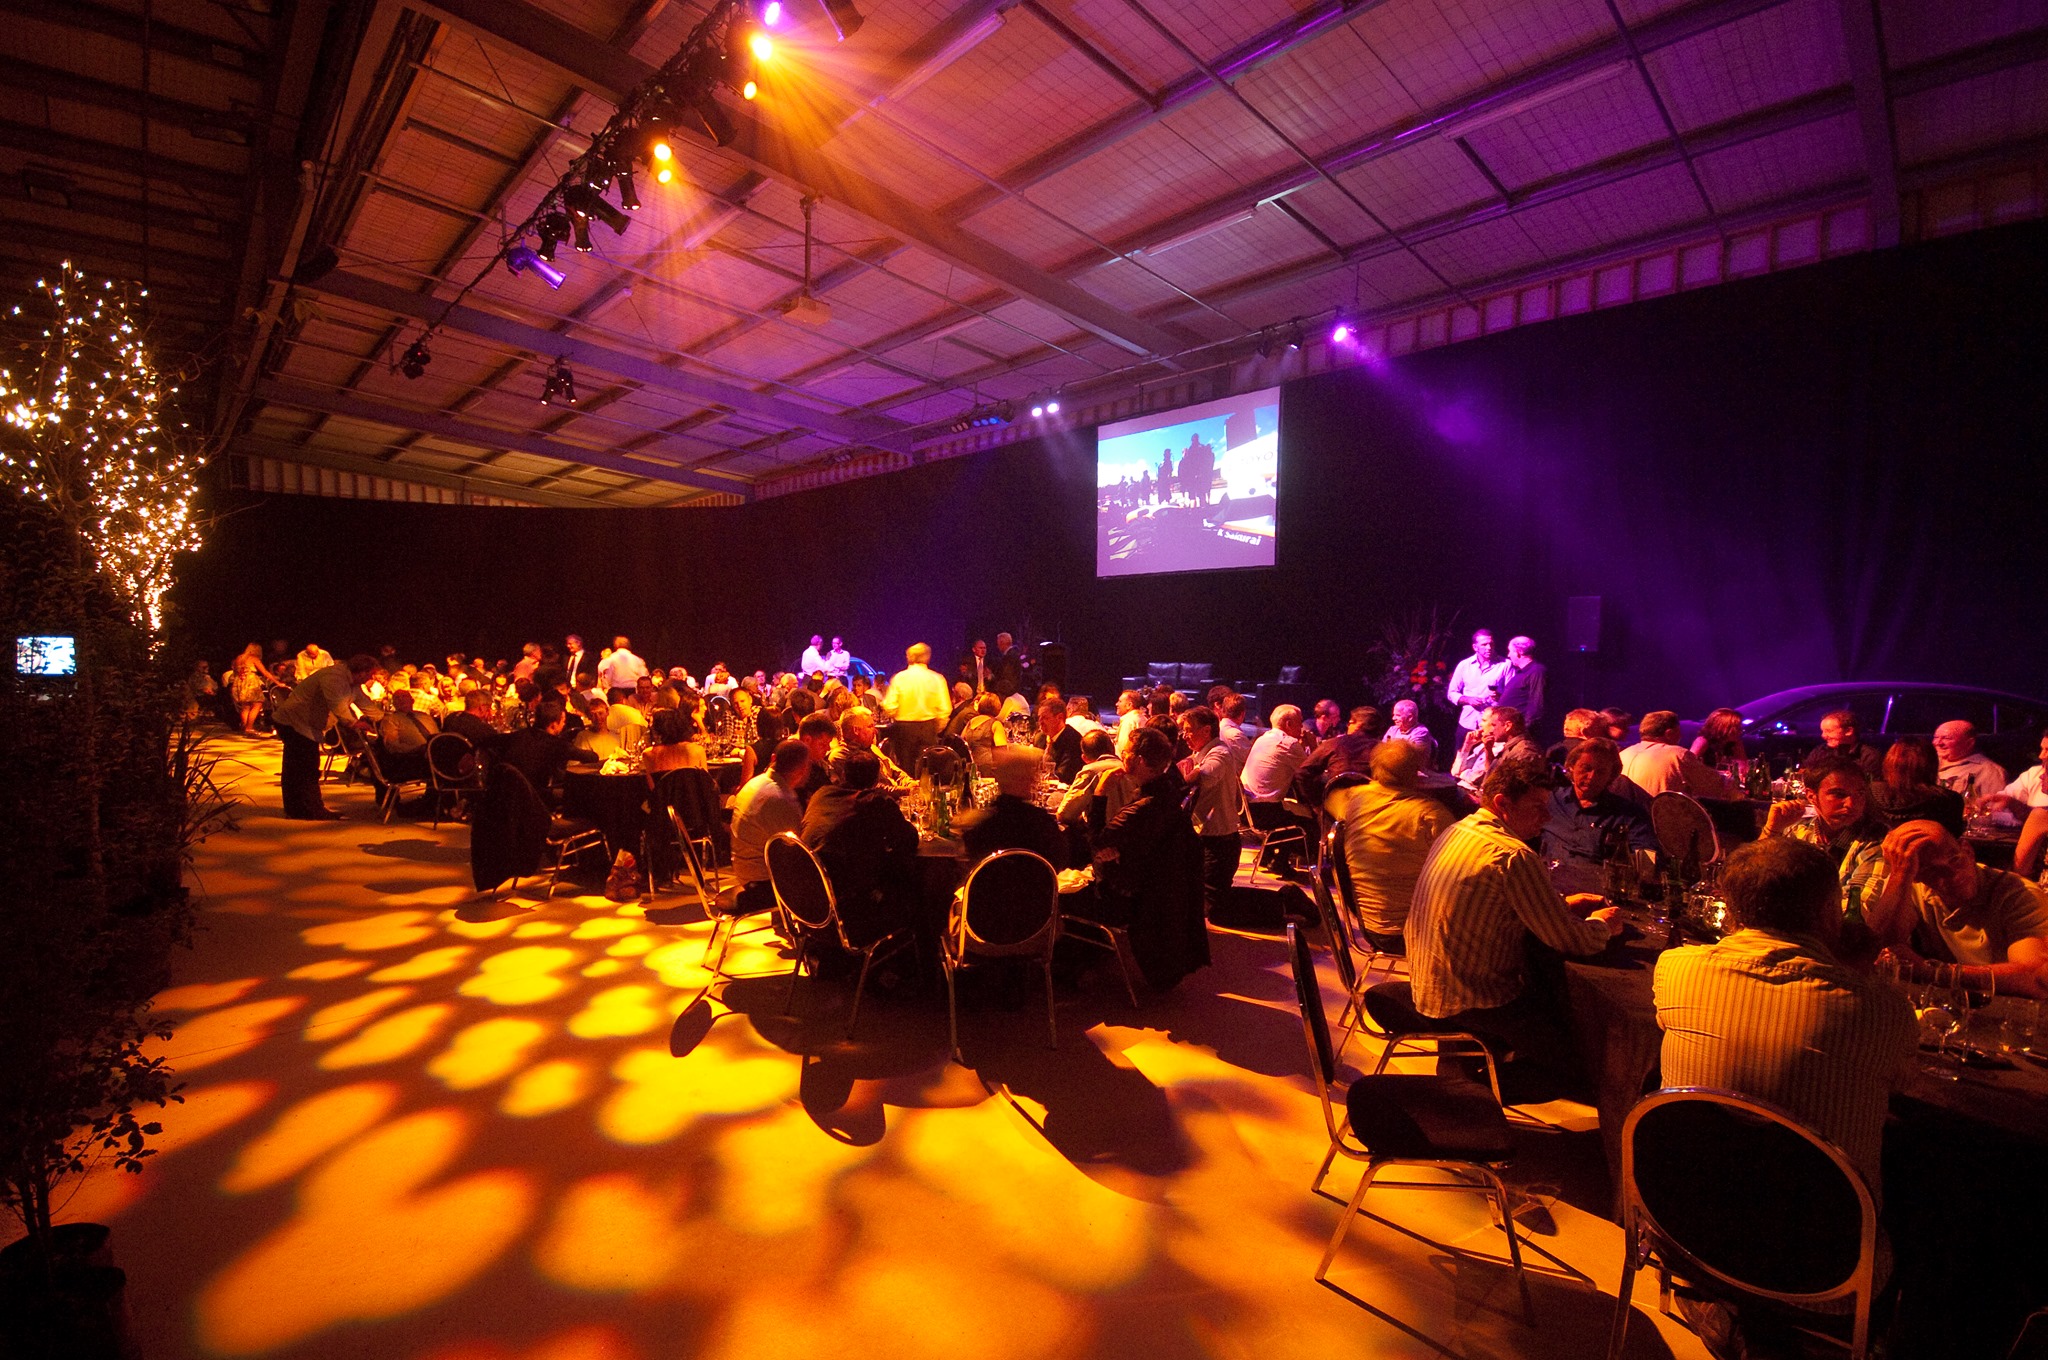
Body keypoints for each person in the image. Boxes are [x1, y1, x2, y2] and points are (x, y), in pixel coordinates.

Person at [1654, 836, 1917, 1203]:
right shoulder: (1886, 1009)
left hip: (1679, 1207)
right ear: (1829, 910)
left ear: (1733, 909)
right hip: (1821, 1229)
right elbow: (1903, 1085)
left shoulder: (1675, 969)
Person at [1405, 757, 1620, 1092]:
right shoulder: (1512, 854)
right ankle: (1469, 1096)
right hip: (1471, 998)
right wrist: (1603, 924)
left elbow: (1491, 904)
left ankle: (1460, 1071)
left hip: (1429, 983)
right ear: (1502, 803)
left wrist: (1562, 905)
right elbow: (1572, 940)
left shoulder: (1458, 829)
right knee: (1584, 1067)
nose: (1547, 818)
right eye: (1537, 808)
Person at [1866, 821, 2048, 998]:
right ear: (1916, 875)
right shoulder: (1907, 885)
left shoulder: (2018, 894)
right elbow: (1878, 947)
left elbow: (2036, 978)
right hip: (1942, 1004)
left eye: (1955, 860)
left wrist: (1933, 972)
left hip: (2006, 1009)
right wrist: (1900, 875)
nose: (1952, 874)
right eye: (1933, 871)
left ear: (1968, 850)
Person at [1091, 726, 1210, 990]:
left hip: (1131, 895)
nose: (1122, 756)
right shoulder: (1170, 789)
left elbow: (1098, 841)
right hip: (1159, 888)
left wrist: (1100, 793)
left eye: (1126, 752)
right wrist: (1119, 849)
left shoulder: (1145, 806)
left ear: (1141, 761)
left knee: (1072, 893)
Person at [1324, 739, 1456, 951]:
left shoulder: (1354, 799)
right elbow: (1459, 869)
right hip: (1412, 934)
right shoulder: (1430, 815)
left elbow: (1330, 797)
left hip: (1368, 926)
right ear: (1416, 773)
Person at [804, 749, 918, 941]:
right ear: (876, 781)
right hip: (849, 905)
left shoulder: (821, 794)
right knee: (910, 877)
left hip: (808, 897)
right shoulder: (876, 802)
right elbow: (910, 839)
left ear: (843, 774)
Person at [1763, 756, 1889, 914]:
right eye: (1839, 794)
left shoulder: (1876, 840)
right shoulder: (1797, 831)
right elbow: (1754, 883)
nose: (1851, 804)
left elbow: (1856, 911)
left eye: (1860, 794)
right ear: (1811, 796)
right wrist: (1772, 830)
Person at [1540, 738, 1656, 892]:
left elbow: (1647, 863)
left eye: (1601, 772)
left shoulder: (1629, 814)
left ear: (1611, 776)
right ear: (1571, 767)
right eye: (1586, 768)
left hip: (1595, 892)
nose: (1591, 776)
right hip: (1548, 887)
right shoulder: (1550, 800)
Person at [272, 653, 378, 819]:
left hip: (306, 725)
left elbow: (365, 703)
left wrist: (383, 718)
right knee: (305, 769)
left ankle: (298, 810)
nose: (370, 678)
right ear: (361, 671)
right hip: (295, 722)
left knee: (298, 768)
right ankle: (310, 810)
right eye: (370, 674)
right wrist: (354, 723)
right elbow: (337, 704)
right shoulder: (334, 677)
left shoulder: (352, 682)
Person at [1177, 706, 1244, 918]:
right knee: (1203, 899)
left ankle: (1284, 901)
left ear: (1206, 731)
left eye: (1189, 730)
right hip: (1205, 836)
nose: (1184, 736)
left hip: (1220, 842)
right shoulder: (1200, 753)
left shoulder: (1220, 753)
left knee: (1215, 909)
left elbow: (1202, 776)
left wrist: (1184, 775)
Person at [730, 739, 811, 913]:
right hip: (762, 882)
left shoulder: (755, 783)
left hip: (744, 871)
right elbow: (799, 849)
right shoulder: (780, 798)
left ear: (773, 758)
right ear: (803, 770)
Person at [957, 746, 1063, 865]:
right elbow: (1060, 860)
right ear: (1026, 779)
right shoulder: (1043, 823)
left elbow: (969, 858)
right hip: (1038, 877)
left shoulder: (983, 826)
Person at [1241, 703, 1314, 862]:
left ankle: (1267, 856)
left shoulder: (1263, 738)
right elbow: (1311, 772)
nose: (1302, 727)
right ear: (1289, 724)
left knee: (1290, 808)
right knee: (1311, 818)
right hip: (1264, 812)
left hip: (1245, 809)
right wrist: (1313, 746)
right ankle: (1280, 862)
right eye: (1299, 722)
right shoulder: (1289, 743)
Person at [1620, 711, 1735, 799]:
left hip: (1629, 819)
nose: (1681, 736)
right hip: (1661, 819)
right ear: (1669, 733)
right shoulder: (1677, 755)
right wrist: (1729, 780)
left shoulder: (1623, 754)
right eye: (1679, 731)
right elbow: (1715, 786)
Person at [499, 701, 597, 796]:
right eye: (563, 721)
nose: (564, 725)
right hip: (536, 796)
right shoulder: (556, 744)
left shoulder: (518, 735)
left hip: (507, 792)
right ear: (553, 725)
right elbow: (592, 757)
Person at [882, 642, 953, 773]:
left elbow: (889, 705)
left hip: (904, 729)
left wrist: (897, 716)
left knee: (905, 769)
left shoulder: (900, 678)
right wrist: (936, 727)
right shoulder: (937, 678)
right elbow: (945, 709)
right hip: (928, 727)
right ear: (927, 657)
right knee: (927, 769)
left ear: (909, 657)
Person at [1870, 737, 1964, 835]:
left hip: (1880, 845)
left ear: (1889, 762)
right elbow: (1953, 838)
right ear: (1931, 764)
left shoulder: (1870, 792)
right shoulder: (1949, 800)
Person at [1451, 705, 1542, 792]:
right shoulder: (1507, 747)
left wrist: (1462, 774)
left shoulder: (1523, 751)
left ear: (1507, 726)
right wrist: (1467, 746)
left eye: (1494, 725)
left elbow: (1491, 781)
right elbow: (1455, 772)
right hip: (1468, 790)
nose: (1491, 729)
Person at [1299, 704, 1380, 798]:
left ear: (1357, 724)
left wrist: (1314, 802)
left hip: (1336, 803)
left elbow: (1302, 773)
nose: (1347, 726)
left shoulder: (1334, 744)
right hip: (1372, 802)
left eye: (1349, 723)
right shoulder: (1383, 749)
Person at [1446, 629, 1505, 735]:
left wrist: (1499, 696)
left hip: (1492, 725)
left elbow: (1512, 694)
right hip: (1468, 722)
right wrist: (1468, 700)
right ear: (1475, 647)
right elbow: (1452, 693)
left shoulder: (1505, 665)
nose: (1489, 648)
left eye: (1491, 644)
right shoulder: (1464, 665)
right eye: (1484, 644)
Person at [1930, 720, 2006, 801]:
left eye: (1947, 738)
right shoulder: (1927, 762)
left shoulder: (1990, 772)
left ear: (1969, 743)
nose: (1938, 743)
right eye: (1936, 737)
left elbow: (1994, 805)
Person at [1804, 709, 1884, 780]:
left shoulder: (1869, 757)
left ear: (1849, 731)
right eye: (1823, 731)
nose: (1823, 736)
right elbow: (1807, 776)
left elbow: (1873, 787)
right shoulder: (1819, 752)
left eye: (1829, 731)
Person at [1495, 636, 1546, 735]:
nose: (1508, 655)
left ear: (1519, 652)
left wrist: (1525, 729)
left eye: (1510, 651)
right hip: (1511, 729)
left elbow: (1537, 702)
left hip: (1522, 732)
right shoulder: (1520, 673)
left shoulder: (1536, 671)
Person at [1030, 698, 1083, 784]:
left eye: (1045, 718)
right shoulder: (1040, 738)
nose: (1040, 722)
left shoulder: (1073, 741)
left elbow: (1064, 775)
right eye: (1039, 717)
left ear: (1059, 717)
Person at [228, 643, 277, 734]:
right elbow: (265, 672)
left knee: (245, 706)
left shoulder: (239, 658)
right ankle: (249, 727)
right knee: (257, 704)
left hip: (240, 681)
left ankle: (244, 727)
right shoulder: (253, 658)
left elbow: (235, 672)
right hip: (250, 682)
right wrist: (277, 682)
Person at [643, 708, 708, 774]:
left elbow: (651, 781)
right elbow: (705, 779)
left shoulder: (649, 754)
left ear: (657, 729)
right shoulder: (698, 751)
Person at [1381, 698, 1437, 770]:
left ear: (1410, 717)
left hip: (1415, 772)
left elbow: (1411, 758)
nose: (1393, 718)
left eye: (1398, 715)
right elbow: (1381, 751)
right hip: (1392, 769)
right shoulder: (1392, 730)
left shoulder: (1421, 733)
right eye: (1393, 715)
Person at [1689, 707, 1748, 774]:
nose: (1741, 731)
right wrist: (1720, 773)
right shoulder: (1702, 741)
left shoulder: (1735, 743)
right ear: (1724, 727)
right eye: (1737, 727)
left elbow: (1743, 768)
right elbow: (1687, 765)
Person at [990, 631, 1024, 699]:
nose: (998, 647)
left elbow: (1006, 676)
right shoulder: (1014, 654)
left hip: (1008, 693)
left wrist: (992, 678)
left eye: (998, 644)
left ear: (1002, 643)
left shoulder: (1009, 657)